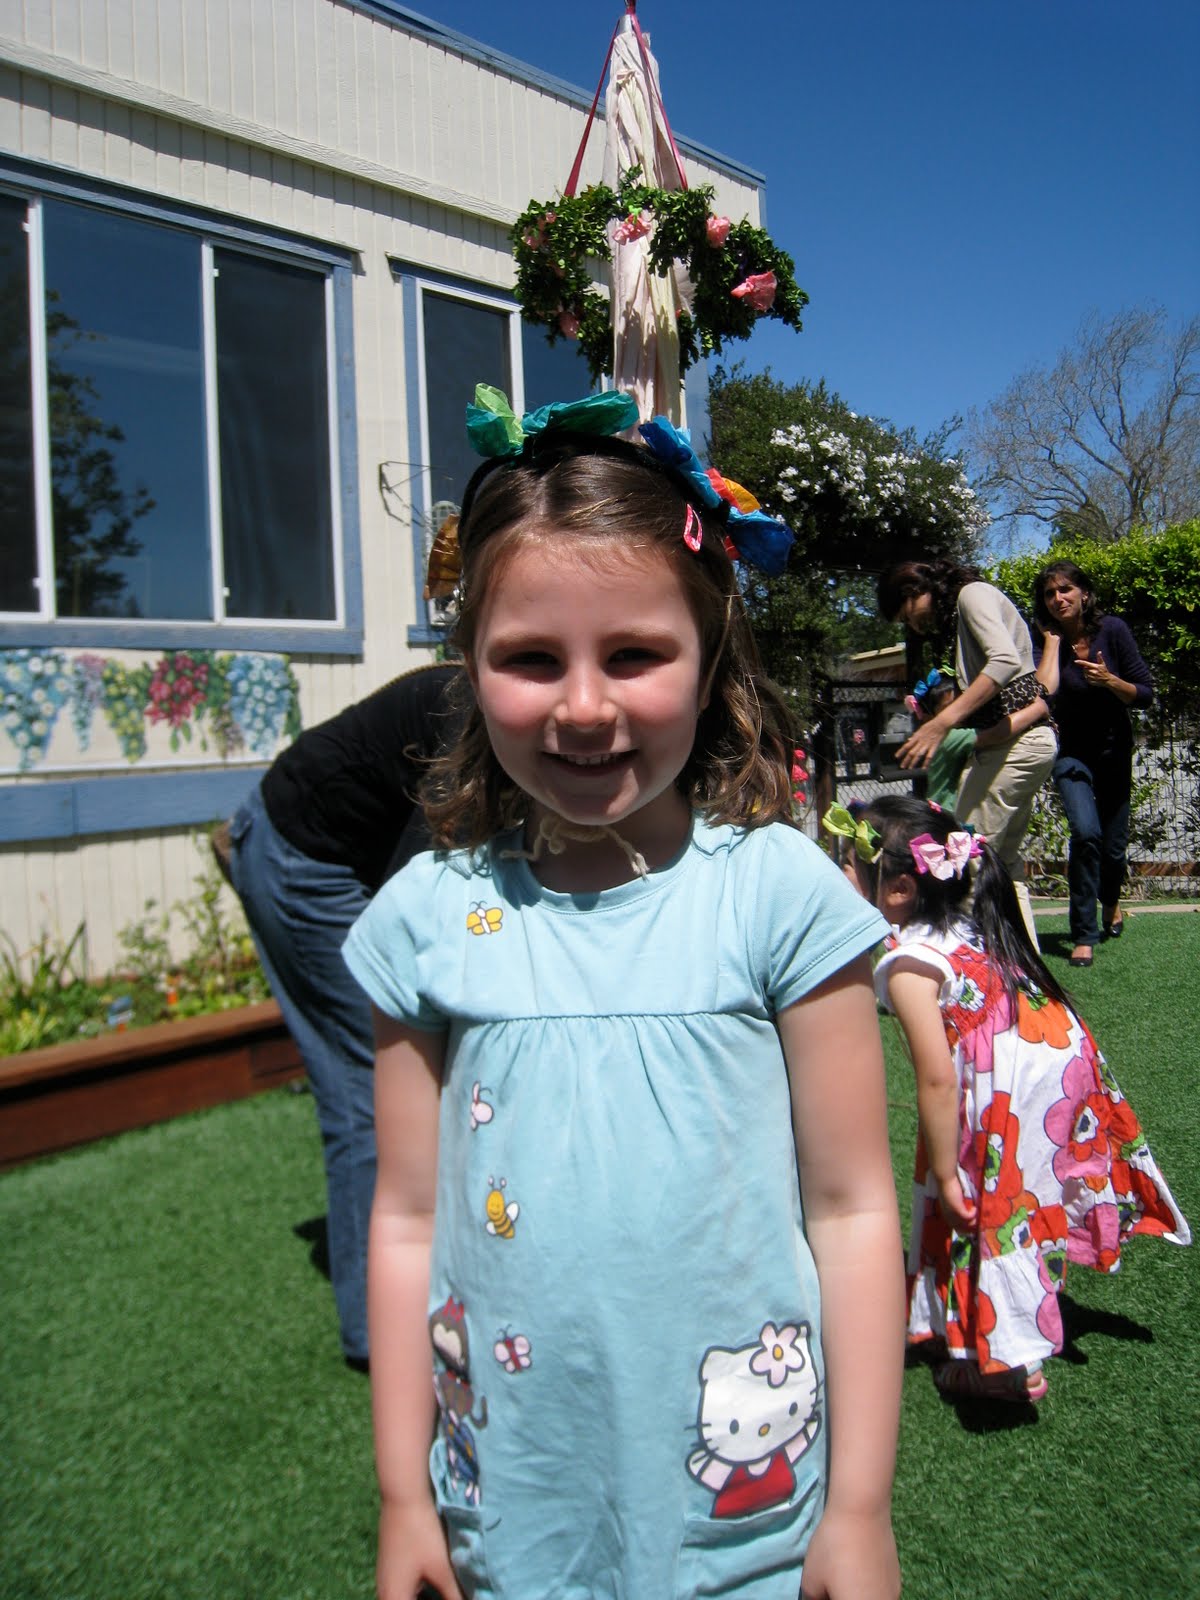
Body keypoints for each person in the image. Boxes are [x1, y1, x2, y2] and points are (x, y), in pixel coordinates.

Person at [343, 387, 905, 1600]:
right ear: (471, 666)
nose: (585, 706)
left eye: (636, 654)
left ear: (709, 662)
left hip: (747, 1518)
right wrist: (403, 1494)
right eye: (531, 658)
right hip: (509, 1516)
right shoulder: (426, 921)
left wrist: (859, 1505)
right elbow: (405, 1219)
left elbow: (855, 1207)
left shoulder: (778, 898)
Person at [828, 795, 1189, 1405]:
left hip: (1012, 1085)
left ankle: (1012, 1365)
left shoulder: (911, 964)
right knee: (1017, 1194)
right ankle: (954, 1322)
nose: (839, 872)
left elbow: (937, 1081)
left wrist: (947, 1174)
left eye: (848, 864)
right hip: (1058, 1062)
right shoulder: (963, 924)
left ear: (897, 890)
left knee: (986, 1205)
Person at [220, 663, 462, 1371]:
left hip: (342, 845)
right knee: (374, 1087)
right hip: (303, 861)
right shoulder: (475, 725)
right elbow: (409, 908)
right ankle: (379, 1334)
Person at [879, 558, 1058, 945]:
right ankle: (1026, 967)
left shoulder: (971, 595)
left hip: (1016, 748)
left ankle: (967, 963)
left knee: (965, 858)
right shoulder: (965, 611)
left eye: (906, 616)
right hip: (1024, 743)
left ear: (914, 592)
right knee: (1004, 864)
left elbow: (1005, 661)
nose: (913, 627)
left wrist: (942, 722)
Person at [1032, 560, 1154, 969]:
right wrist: (1051, 645)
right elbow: (1042, 692)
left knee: (1113, 849)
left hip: (1114, 750)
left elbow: (1145, 693)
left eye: (1065, 589)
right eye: (1050, 593)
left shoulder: (1113, 630)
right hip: (1070, 752)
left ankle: (1112, 900)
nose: (1058, 598)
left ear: (1084, 593)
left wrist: (1110, 681)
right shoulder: (1044, 639)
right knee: (1085, 834)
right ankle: (1083, 933)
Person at [905, 663, 1052, 814]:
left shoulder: (955, 732)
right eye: (950, 707)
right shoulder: (949, 737)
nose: (960, 711)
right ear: (931, 715)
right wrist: (1037, 709)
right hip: (948, 812)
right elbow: (996, 734)